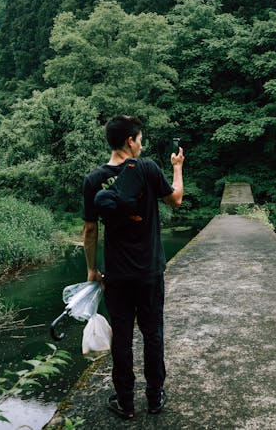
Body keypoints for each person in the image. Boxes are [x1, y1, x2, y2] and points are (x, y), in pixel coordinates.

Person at [81, 114, 184, 419]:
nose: (141, 144)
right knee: (153, 333)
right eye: (140, 138)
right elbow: (175, 200)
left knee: (122, 337)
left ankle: (125, 402)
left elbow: (89, 230)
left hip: (117, 274)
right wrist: (177, 168)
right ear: (130, 140)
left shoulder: (93, 180)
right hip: (149, 271)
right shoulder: (148, 168)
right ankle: (154, 398)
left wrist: (91, 269)